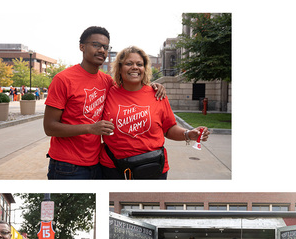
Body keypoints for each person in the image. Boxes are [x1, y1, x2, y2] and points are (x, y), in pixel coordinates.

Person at [44, 26, 166, 179]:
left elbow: (131, 86)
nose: (102, 50)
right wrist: (90, 128)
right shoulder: (63, 79)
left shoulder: (107, 81)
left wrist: (153, 86)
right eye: (96, 45)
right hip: (67, 165)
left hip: (97, 163)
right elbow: (49, 127)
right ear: (82, 47)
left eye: (105, 47)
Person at [99, 46, 210, 179]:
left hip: (151, 167)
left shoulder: (157, 94)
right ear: (120, 67)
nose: (135, 67)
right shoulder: (108, 92)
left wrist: (187, 134)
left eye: (139, 64)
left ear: (144, 69)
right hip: (113, 168)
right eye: (129, 63)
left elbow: (169, 128)